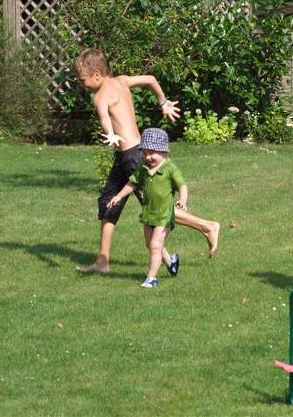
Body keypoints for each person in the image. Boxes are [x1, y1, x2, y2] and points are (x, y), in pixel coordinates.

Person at [72, 48, 220, 274]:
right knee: (108, 203)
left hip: (132, 157)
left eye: (82, 80)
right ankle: (103, 261)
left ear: (97, 75)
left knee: (156, 207)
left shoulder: (100, 96)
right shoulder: (122, 81)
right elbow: (150, 79)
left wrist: (110, 134)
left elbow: (104, 117)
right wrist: (163, 102)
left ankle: (207, 226)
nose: (81, 84)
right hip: (124, 157)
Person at [108, 128, 185, 288]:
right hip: (148, 213)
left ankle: (151, 278)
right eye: (144, 153)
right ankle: (171, 261)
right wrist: (119, 196)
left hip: (164, 215)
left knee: (155, 246)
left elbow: (182, 186)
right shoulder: (143, 168)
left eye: (152, 153)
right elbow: (132, 183)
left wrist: (182, 200)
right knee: (150, 245)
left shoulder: (170, 169)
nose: (148, 157)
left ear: (164, 151)